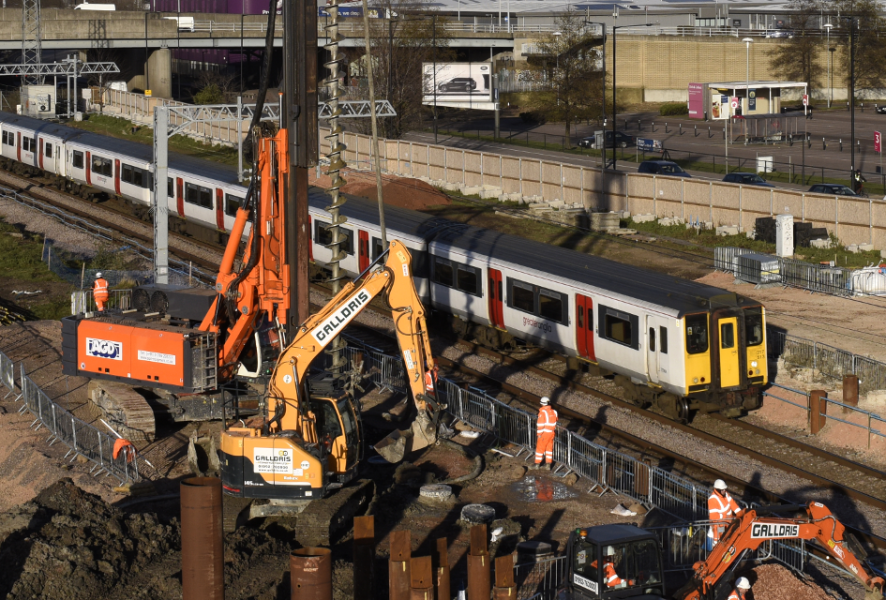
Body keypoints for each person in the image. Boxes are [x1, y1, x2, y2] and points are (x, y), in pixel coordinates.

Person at [708, 479, 743, 548]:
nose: (724, 491)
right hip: (719, 526)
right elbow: (714, 517)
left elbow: (732, 504)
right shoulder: (713, 499)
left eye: (724, 489)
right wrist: (728, 517)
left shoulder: (725, 494)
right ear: (718, 490)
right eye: (722, 490)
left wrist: (740, 513)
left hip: (727, 524)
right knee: (717, 543)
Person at [533, 396, 557, 470]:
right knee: (549, 449)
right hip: (552, 433)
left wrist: (539, 434)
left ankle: (537, 464)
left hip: (544, 433)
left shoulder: (542, 412)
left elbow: (540, 424)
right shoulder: (554, 412)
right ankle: (548, 465)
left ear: (542, 404)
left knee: (540, 449)